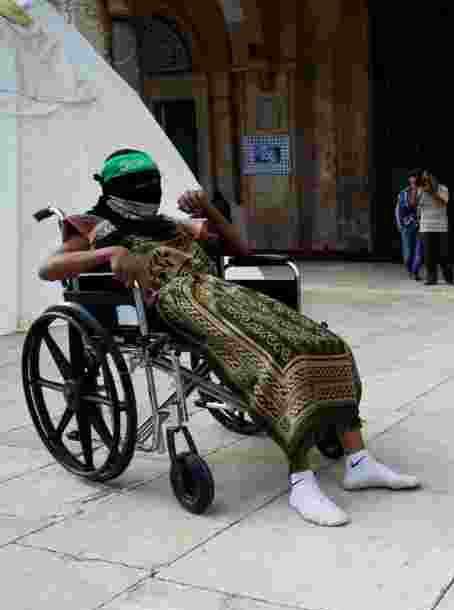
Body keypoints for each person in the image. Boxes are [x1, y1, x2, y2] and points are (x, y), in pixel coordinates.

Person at [37, 149, 420, 526]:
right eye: (138, 184)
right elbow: (50, 267)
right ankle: (301, 480)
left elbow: (240, 250)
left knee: (325, 343)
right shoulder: (92, 225)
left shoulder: (170, 224)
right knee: (275, 356)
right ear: (114, 187)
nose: (149, 189)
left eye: (153, 182)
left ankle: (359, 462)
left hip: (220, 291)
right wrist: (111, 252)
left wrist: (209, 209)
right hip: (176, 301)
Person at [416, 170, 454, 286]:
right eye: (424, 179)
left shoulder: (443, 189)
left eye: (428, 178)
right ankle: (431, 278)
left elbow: (442, 203)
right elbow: (415, 204)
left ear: (434, 178)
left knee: (444, 254)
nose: (426, 181)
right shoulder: (421, 190)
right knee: (428, 255)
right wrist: (418, 190)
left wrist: (431, 192)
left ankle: (449, 278)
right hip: (426, 227)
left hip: (441, 226)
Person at [395, 169, 423, 280]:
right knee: (407, 255)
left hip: (421, 225)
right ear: (409, 179)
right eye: (412, 177)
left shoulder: (424, 192)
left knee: (419, 253)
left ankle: (415, 272)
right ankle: (410, 270)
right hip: (406, 225)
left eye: (416, 177)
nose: (414, 179)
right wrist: (399, 223)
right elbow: (398, 209)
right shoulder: (403, 193)